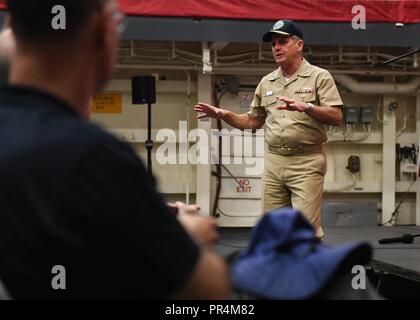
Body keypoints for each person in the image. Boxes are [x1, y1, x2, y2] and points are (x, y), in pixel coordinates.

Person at [0, 0, 229, 299]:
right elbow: (207, 293)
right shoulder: (93, 157)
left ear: (13, 28)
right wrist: (187, 236)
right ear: (102, 31)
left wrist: (148, 217)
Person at [195, 19, 343, 237]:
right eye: (273, 44)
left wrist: (307, 107)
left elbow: (336, 116)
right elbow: (253, 121)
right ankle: (278, 270)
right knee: (273, 229)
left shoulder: (319, 77)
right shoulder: (267, 82)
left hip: (307, 162)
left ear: (299, 44)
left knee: (305, 231)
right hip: (274, 162)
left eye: (282, 42)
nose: (276, 48)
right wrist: (224, 114)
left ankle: (305, 270)